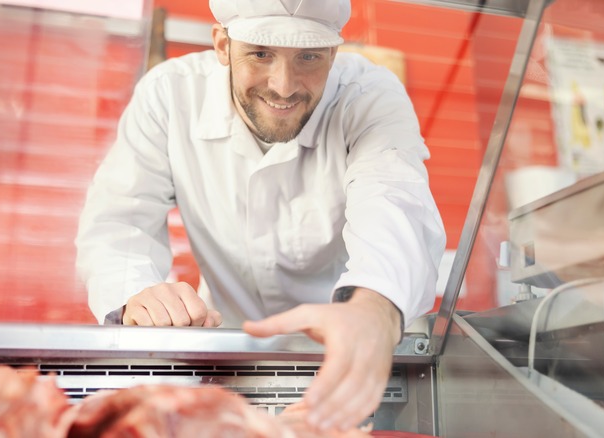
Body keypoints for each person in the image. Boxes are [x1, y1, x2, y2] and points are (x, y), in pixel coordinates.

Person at [75, 0, 446, 431]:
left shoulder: (369, 96)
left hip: (345, 358)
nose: (284, 86)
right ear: (222, 45)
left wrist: (375, 310)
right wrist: (136, 292)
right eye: (260, 54)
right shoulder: (169, 94)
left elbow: (394, 200)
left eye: (308, 56)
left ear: (333, 54)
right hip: (219, 357)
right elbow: (121, 219)